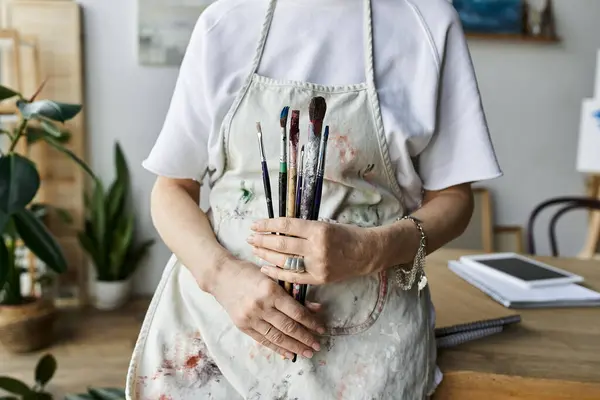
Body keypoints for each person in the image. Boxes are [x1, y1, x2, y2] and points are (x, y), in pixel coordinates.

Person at [127, 0, 502, 398]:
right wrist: (222, 276)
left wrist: (372, 249)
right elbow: (171, 191)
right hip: (212, 344)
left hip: (368, 360)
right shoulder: (224, 21)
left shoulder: (428, 22)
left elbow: (454, 200)